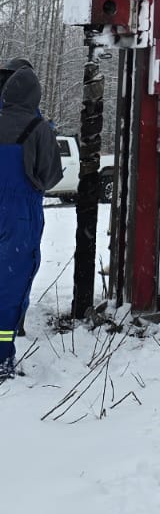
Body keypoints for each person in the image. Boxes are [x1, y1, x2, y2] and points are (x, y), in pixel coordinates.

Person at [0, 64, 62, 378]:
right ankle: (1, 358)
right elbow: (51, 176)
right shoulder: (38, 129)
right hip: (18, 217)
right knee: (10, 287)